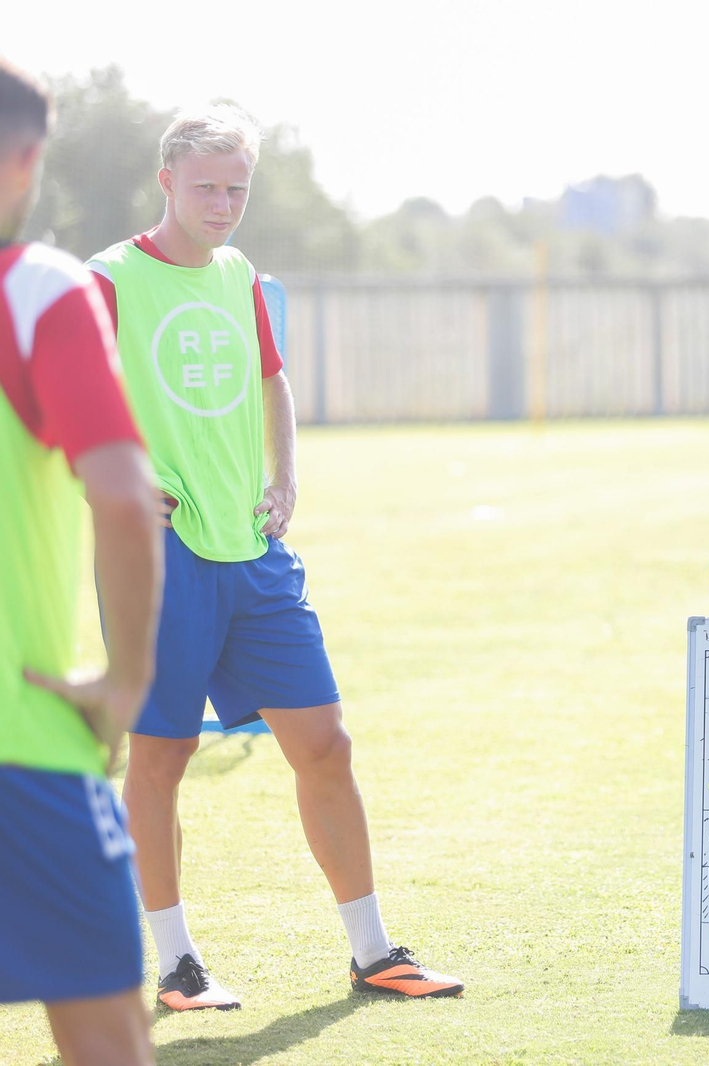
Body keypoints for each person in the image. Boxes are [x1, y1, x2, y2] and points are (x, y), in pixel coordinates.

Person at [87, 105, 462, 1010]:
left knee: (325, 745)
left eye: (237, 189)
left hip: (253, 553)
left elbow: (272, 379)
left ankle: (374, 954)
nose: (223, 204)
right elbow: (58, 397)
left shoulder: (238, 273)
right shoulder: (107, 279)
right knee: (162, 758)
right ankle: (177, 965)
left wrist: (285, 476)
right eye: (208, 186)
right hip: (158, 554)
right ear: (166, 180)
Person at [0, 56, 163, 1065]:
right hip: (23, 736)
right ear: (26, 160)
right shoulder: (37, 288)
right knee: (107, 1039)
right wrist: (128, 681)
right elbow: (122, 492)